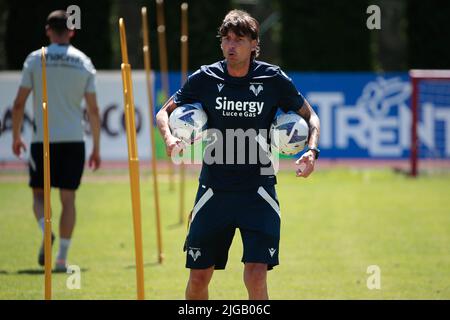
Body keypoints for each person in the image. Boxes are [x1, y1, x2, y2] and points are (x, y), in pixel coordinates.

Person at [156, 9, 320, 300]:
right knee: (198, 277)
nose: (231, 45)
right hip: (214, 190)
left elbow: (311, 118)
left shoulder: (273, 79)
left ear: (254, 44)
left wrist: (311, 150)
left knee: (256, 274)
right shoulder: (204, 78)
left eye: (239, 40)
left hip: (259, 191)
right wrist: (169, 139)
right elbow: (163, 113)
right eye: (226, 39)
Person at [11, 10, 101, 272]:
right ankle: (62, 257)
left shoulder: (35, 59)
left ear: (48, 31)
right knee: (68, 199)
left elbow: (18, 104)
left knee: (39, 195)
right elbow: (93, 111)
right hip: (74, 140)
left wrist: (16, 136)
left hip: (43, 140)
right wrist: (96, 146)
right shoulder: (83, 61)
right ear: (71, 32)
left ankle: (44, 228)